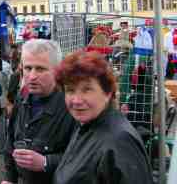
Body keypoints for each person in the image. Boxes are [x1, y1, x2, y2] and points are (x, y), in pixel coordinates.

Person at [53, 50, 153, 184]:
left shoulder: (119, 141)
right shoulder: (86, 125)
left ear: (107, 93)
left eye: (87, 89)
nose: (76, 100)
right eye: (70, 90)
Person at [2, 39, 75, 184]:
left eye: (40, 69)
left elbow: (83, 156)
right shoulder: (22, 98)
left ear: (57, 70)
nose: (32, 76)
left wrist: (46, 162)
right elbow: (10, 141)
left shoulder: (72, 106)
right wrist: (9, 178)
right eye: (28, 68)